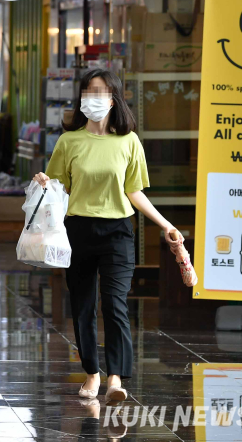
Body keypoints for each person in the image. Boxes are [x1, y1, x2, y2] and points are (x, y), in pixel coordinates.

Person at [33, 69, 183, 403]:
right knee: (83, 306)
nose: (91, 97)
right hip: (78, 231)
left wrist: (166, 224)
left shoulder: (128, 142)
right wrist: (45, 184)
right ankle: (92, 373)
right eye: (86, 91)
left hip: (117, 232)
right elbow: (60, 190)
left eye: (98, 91)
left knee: (114, 304)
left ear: (113, 98)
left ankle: (116, 376)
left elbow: (134, 191)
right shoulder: (69, 141)